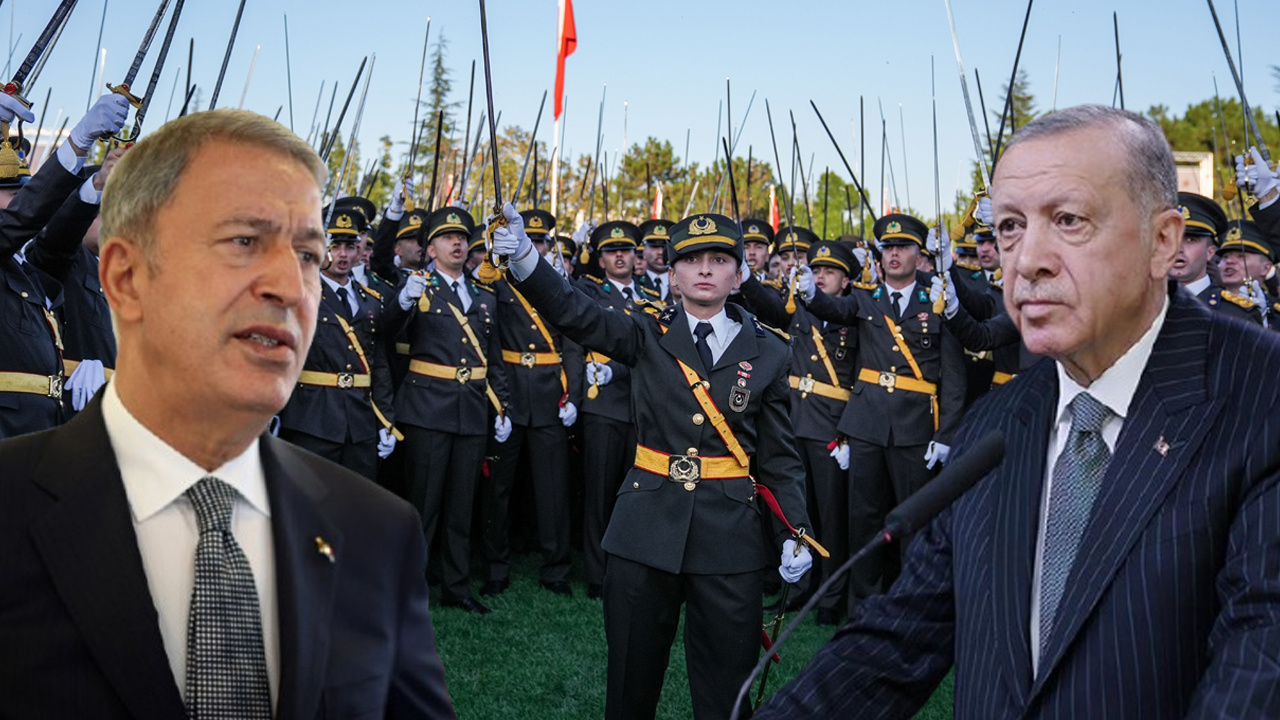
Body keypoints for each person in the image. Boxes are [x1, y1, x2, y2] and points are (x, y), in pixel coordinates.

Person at [758, 104, 1280, 719]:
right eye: (1009, 226)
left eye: (1068, 219)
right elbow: (897, 640)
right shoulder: (999, 424)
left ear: (1162, 240)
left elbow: (1260, 659)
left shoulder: (1262, 396)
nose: (1026, 259)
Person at [0, 108, 453, 718]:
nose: (283, 286)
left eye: (307, 257)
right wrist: (79, 153)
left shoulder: (376, 531)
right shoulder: (15, 512)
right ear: (130, 279)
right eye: (239, 246)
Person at [493, 207, 813, 720]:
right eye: (691, 259)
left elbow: (779, 458)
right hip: (644, 530)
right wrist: (528, 258)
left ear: (738, 274)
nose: (704, 269)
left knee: (727, 692)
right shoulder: (643, 330)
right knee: (629, 685)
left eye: (718, 259)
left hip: (730, 538)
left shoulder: (770, 351)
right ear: (672, 273)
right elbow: (576, 312)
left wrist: (795, 531)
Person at [795, 213, 966, 613]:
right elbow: (830, 309)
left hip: (916, 427)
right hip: (867, 424)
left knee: (914, 520)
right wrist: (809, 294)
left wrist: (946, 435)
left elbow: (954, 378)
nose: (894, 254)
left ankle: (913, 605)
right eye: (887, 247)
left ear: (917, 253)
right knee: (863, 519)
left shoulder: (937, 297)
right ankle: (862, 606)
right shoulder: (864, 299)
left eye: (903, 247)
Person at [391, 204, 512, 615]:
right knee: (423, 505)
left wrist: (503, 407)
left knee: (462, 506)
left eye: (462, 237)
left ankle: (456, 587)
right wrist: (403, 302)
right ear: (430, 249)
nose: (458, 242)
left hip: (472, 410)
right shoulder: (418, 287)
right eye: (447, 237)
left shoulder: (483, 295)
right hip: (427, 407)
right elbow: (386, 332)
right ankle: (411, 586)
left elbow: (493, 357)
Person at [740, 239, 861, 626]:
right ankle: (799, 588)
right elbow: (770, 310)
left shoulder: (856, 314)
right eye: (817, 270)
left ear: (846, 281)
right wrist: (746, 279)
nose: (821, 276)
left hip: (832, 426)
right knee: (797, 514)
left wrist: (849, 430)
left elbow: (863, 377)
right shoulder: (799, 307)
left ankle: (830, 596)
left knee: (831, 516)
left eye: (830, 272)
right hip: (796, 420)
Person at [0, 93, 129, 438]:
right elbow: (37, 226)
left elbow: (51, 243)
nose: (20, 198)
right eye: (10, 191)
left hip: (42, 434)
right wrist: (78, 142)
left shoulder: (23, 270)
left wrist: (98, 184)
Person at [480, 207, 583, 598]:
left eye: (541, 241)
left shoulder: (555, 284)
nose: (536, 246)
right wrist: (498, 399)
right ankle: (495, 566)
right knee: (499, 488)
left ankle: (556, 569)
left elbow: (572, 344)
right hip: (508, 392)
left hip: (549, 395)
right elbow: (487, 341)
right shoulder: (497, 281)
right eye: (531, 240)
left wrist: (573, 394)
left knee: (553, 489)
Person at [275, 207, 399, 481]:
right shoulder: (300, 296)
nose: (342, 254)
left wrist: (385, 420)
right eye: (334, 245)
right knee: (310, 507)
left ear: (359, 251)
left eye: (350, 246)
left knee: (356, 508)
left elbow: (378, 366)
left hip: (360, 422)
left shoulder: (371, 300)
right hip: (311, 420)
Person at [1170, 191, 1263, 325]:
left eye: (1191, 239)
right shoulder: (1140, 307)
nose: (1179, 248)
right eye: (1171, 238)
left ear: (1210, 252)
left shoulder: (1236, 315)